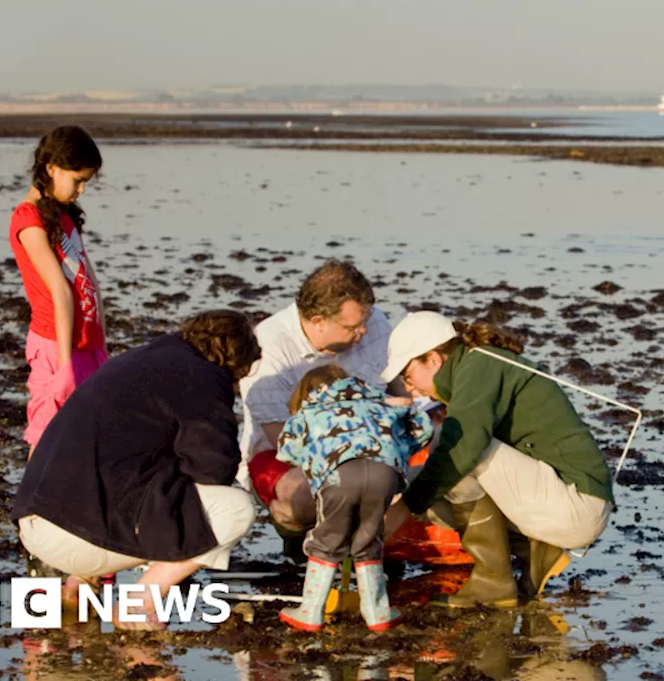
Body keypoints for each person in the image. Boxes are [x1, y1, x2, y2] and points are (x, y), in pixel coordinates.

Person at [13, 310, 260, 631]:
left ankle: (80, 582)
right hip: (74, 539)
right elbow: (215, 470)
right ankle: (139, 603)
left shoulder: (143, 360)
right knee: (235, 509)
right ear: (234, 364)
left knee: (131, 471)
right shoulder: (204, 376)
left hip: (34, 521)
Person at [381, 311, 615, 607]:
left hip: (577, 504)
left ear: (434, 359)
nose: (408, 385)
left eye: (406, 373)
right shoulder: (472, 368)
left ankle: (493, 581)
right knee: (436, 475)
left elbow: (463, 448)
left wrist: (407, 507)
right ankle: (534, 550)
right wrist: (399, 496)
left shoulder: (480, 366)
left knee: (457, 449)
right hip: (561, 498)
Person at [238, 260, 393, 564]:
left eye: (366, 320)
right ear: (318, 320)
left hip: (373, 444)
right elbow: (281, 437)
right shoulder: (269, 345)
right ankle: (298, 545)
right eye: (352, 327)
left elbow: (400, 388)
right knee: (305, 498)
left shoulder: (374, 324)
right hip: (288, 453)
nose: (363, 331)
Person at [275, 365, 433, 632]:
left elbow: (287, 448)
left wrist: (314, 458)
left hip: (339, 476)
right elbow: (423, 426)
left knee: (327, 538)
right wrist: (399, 449)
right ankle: (377, 612)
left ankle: (311, 610)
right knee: (369, 537)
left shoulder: (312, 411)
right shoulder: (382, 407)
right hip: (385, 472)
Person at [8, 126, 107, 455]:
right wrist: (65, 364)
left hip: (85, 341)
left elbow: (89, 283)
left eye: (85, 183)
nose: (81, 190)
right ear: (51, 168)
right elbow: (58, 292)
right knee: (47, 434)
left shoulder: (64, 217)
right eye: (77, 180)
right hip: (55, 344)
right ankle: (30, 504)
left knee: (85, 432)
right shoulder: (29, 219)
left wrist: (100, 344)